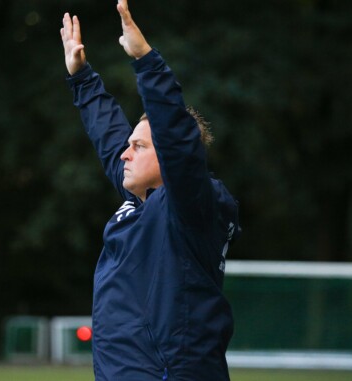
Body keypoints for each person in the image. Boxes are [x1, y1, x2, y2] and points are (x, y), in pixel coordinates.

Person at [60, 1, 241, 379]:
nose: (125, 153)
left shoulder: (189, 206)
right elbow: (112, 139)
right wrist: (82, 78)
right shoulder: (142, 202)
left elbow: (175, 138)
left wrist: (146, 61)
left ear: (170, 160)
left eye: (139, 146)